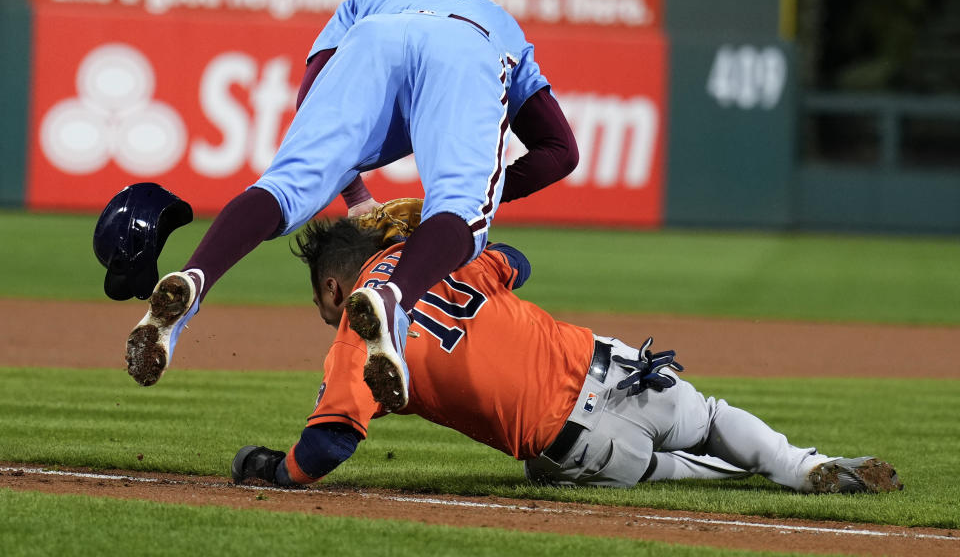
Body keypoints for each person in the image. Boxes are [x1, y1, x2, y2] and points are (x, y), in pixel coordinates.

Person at [125, 0, 579, 410]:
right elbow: (561, 151)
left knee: (285, 186)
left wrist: (356, 196)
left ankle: (195, 277)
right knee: (460, 211)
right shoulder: (496, 17)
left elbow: (311, 99)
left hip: (373, 39)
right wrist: (457, 203)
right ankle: (391, 297)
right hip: (467, 49)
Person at [231, 217, 903, 495]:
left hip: (582, 444)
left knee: (652, 468)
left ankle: (757, 473)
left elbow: (327, 446)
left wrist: (272, 470)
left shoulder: (357, 332)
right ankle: (803, 464)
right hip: (619, 371)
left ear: (332, 285)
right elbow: (517, 262)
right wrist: (443, 242)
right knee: (712, 417)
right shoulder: (434, 263)